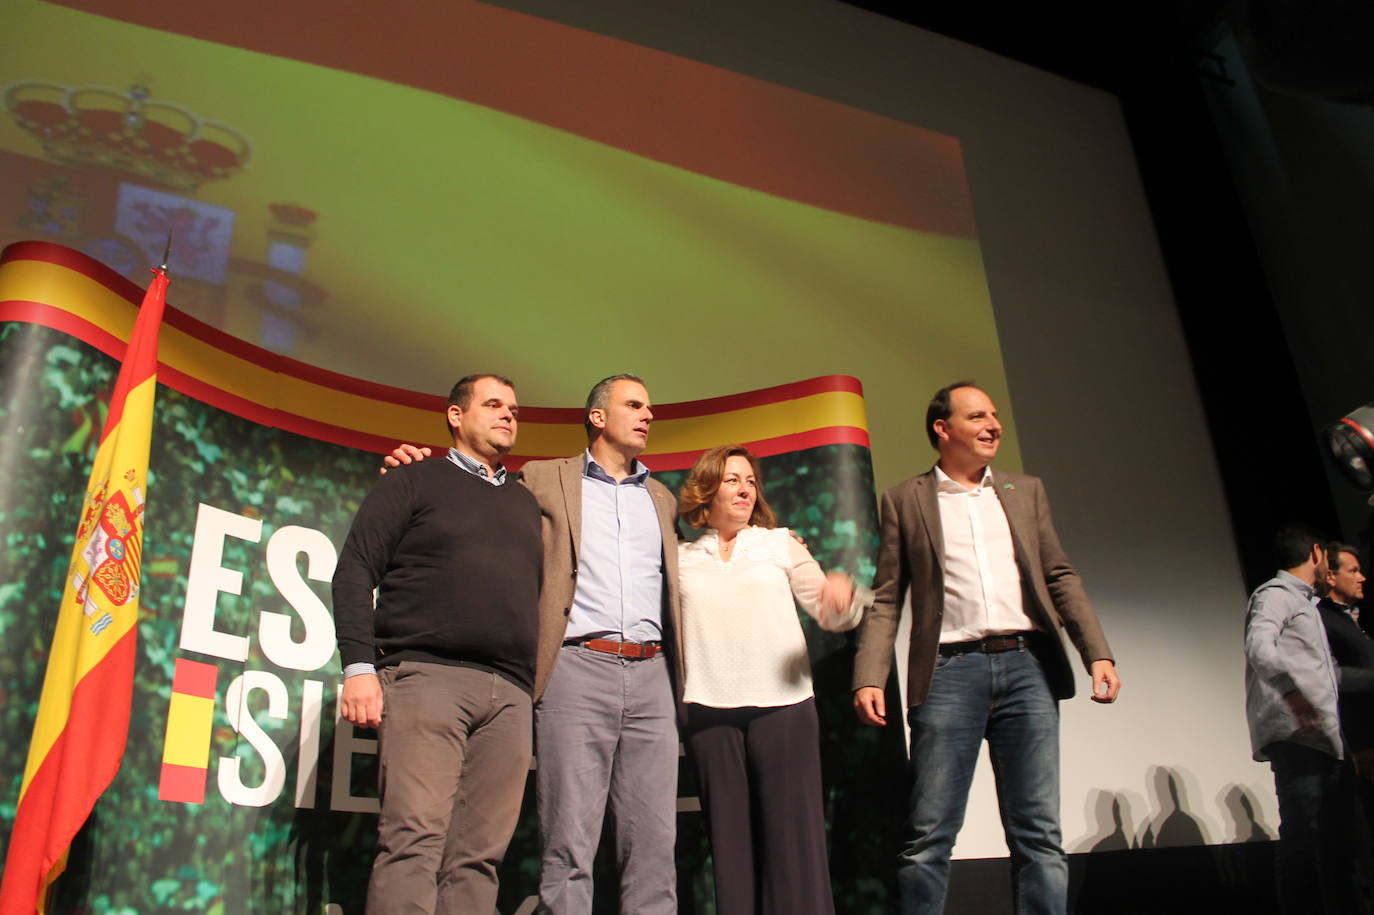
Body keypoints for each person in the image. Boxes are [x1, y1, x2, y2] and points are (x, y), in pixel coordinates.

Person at [386, 373, 682, 915]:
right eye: (634, 405)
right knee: (568, 844)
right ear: (597, 417)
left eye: (649, 407)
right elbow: (475, 498)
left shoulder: (662, 498)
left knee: (655, 848)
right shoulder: (544, 478)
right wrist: (406, 466)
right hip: (576, 667)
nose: (648, 415)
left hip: (653, 675)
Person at [851, 381, 1119, 915]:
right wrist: (868, 675)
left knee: (1038, 833)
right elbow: (886, 598)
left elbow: (1059, 575)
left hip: (1028, 668)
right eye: (977, 416)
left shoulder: (1025, 491)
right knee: (928, 835)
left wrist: (1098, 653)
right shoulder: (906, 500)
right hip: (950, 673)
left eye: (995, 415)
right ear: (943, 429)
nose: (993, 425)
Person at [333, 374, 542, 915]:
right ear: (455, 415)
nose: (507, 416)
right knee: (413, 841)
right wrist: (358, 667)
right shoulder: (413, 479)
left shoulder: (526, 504)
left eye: (514, 409)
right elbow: (355, 568)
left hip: (512, 697)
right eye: (493, 405)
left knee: (479, 858)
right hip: (426, 678)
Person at [676, 445, 866, 915]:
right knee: (729, 845)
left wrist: (843, 601)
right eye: (731, 480)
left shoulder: (779, 542)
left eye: (750, 481)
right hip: (708, 709)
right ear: (706, 489)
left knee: (793, 841)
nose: (744, 489)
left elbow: (826, 608)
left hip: (784, 707)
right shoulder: (678, 556)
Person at [1244, 526, 1359, 914]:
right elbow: (1259, 644)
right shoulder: (1276, 595)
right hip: (1298, 737)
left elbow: (1324, 672)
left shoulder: (1307, 605)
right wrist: (1291, 691)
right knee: (1303, 843)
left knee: (1337, 846)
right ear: (1315, 552)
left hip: (1324, 740)